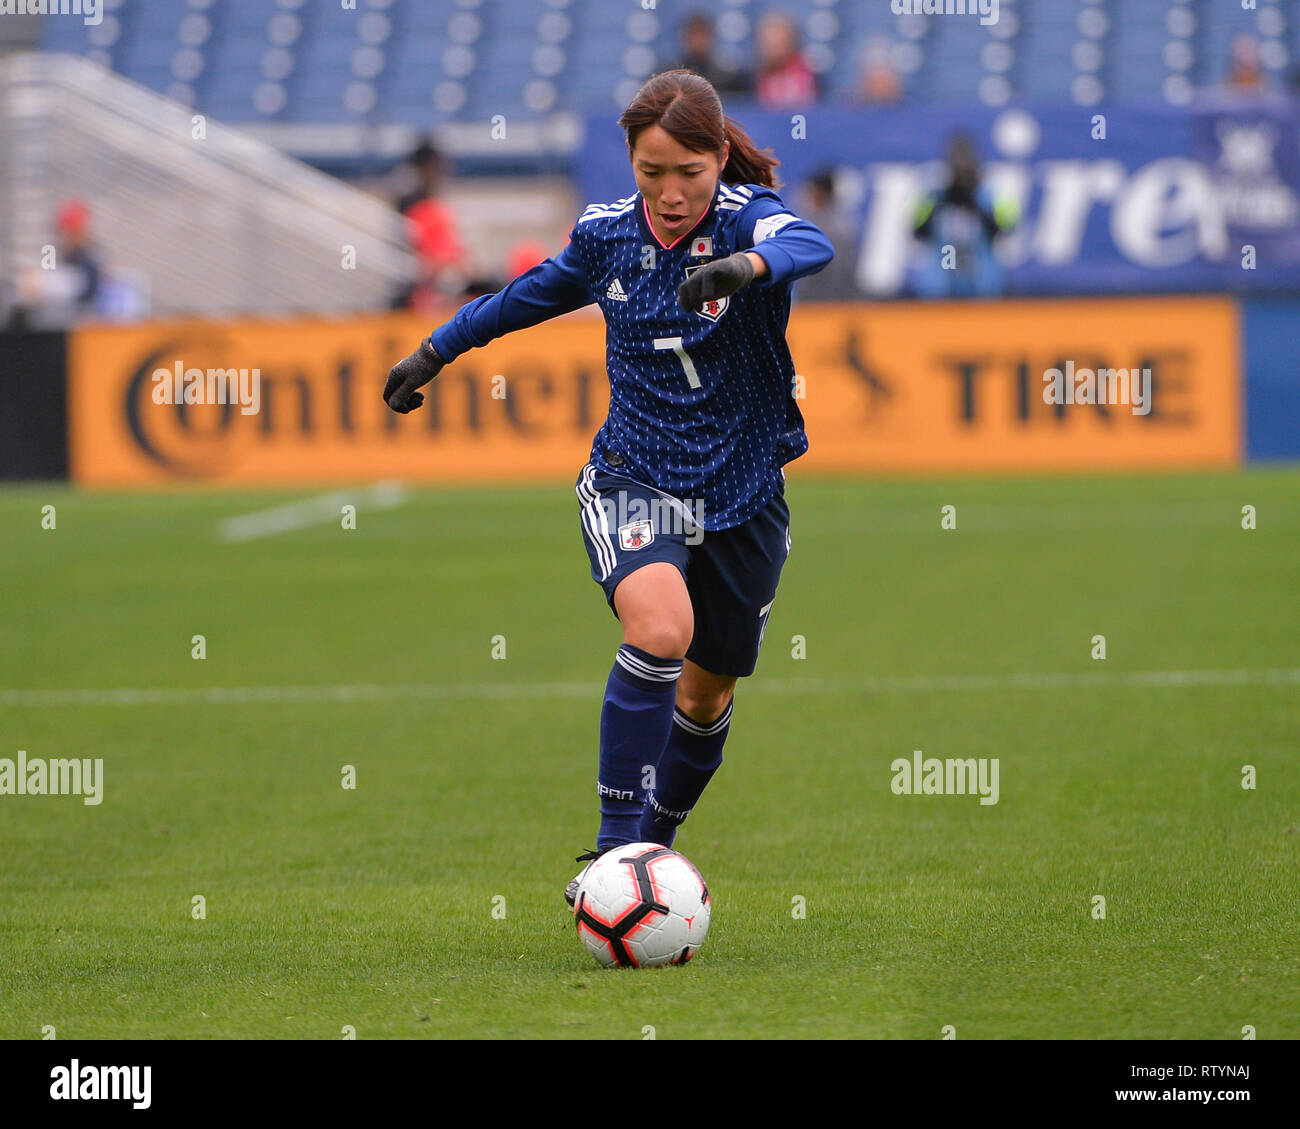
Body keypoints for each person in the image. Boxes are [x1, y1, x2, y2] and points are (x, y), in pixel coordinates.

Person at [382, 69, 834, 903]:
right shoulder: (605, 236)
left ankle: (647, 854)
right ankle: (611, 852)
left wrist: (747, 267)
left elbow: (814, 244)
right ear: (629, 159)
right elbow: (522, 299)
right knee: (662, 627)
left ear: (717, 158)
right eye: (651, 171)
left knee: (708, 693)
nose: (669, 192)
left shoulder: (747, 217)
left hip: (742, 491)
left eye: (688, 173)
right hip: (635, 473)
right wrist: (434, 351)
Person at [911, 133, 1018, 298]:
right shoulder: (936, 195)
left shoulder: (988, 195)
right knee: (941, 277)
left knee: (984, 286)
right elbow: (916, 229)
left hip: (982, 273)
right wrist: (940, 203)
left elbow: (1007, 226)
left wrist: (978, 205)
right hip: (943, 270)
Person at [667, 12, 751, 98]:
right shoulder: (670, 77)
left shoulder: (728, 78)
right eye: (693, 34)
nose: (698, 40)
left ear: (712, 37)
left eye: (702, 33)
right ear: (684, 37)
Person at [754, 12, 817, 109]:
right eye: (767, 44)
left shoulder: (807, 76)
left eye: (777, 44)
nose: (771, 50)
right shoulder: (750, 80)